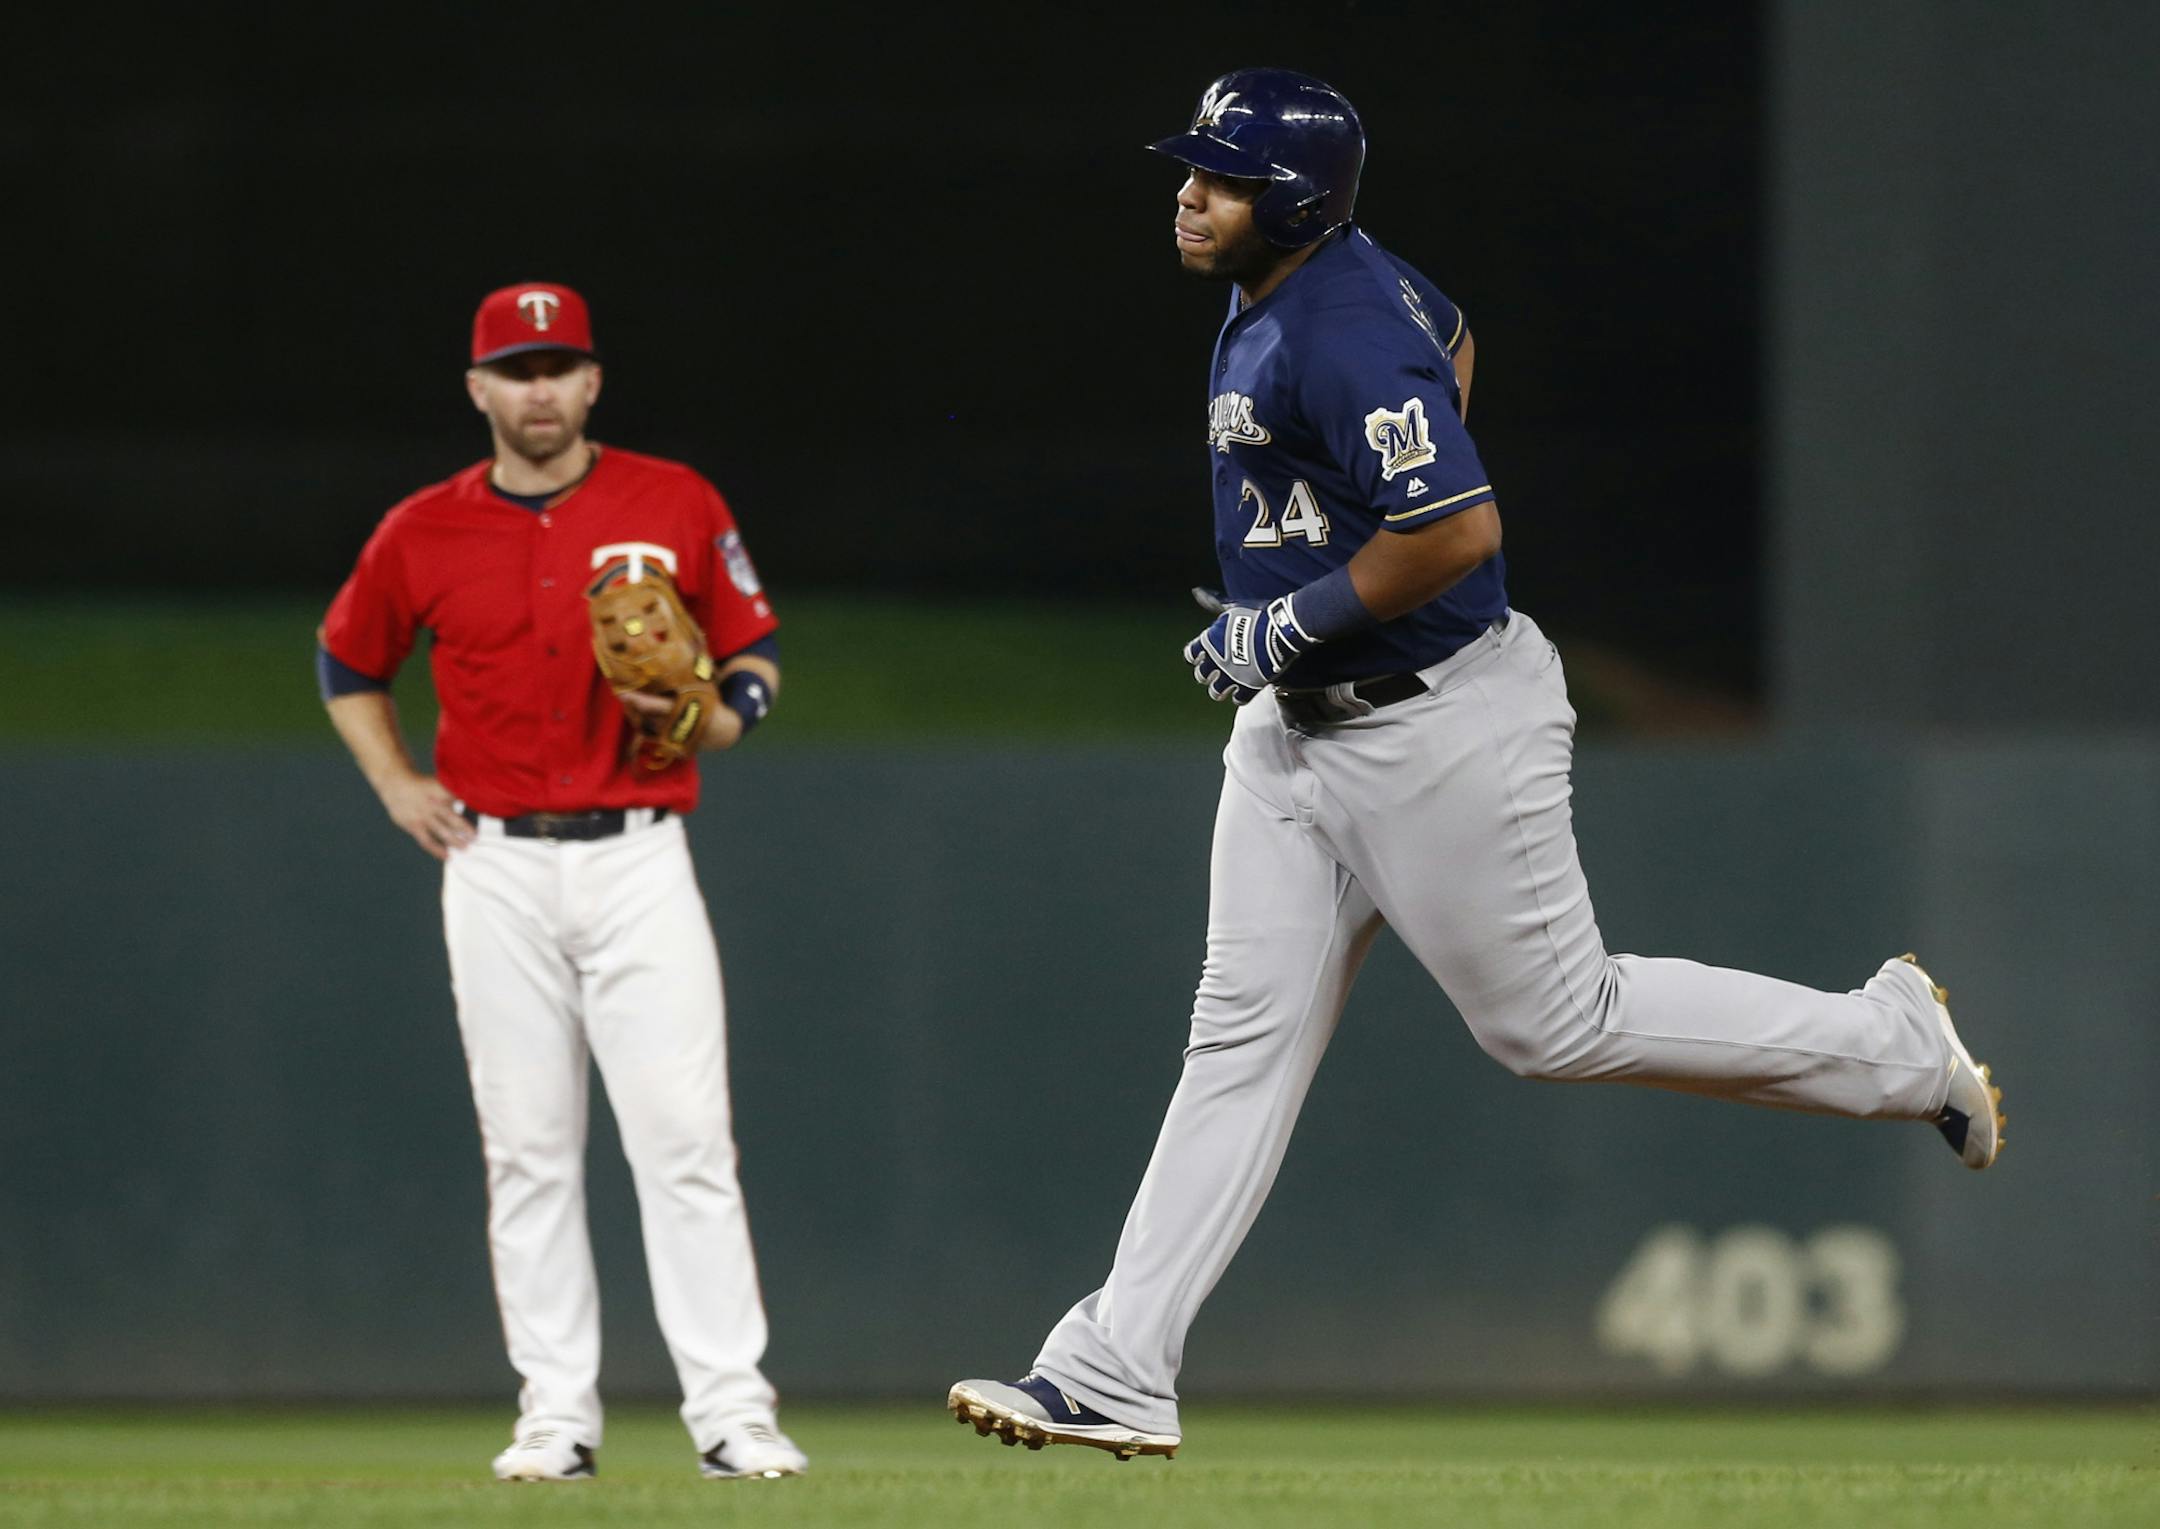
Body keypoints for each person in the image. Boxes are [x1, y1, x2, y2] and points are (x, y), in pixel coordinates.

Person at [947, 69, 2006, 1462]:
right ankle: (1114, 1366)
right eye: (1192, 166)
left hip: (1436, 721)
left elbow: (1456, 530)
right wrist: (1296, 626)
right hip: (1294, 740)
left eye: (1220, 174)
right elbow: (1454, 341)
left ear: (1299, 199)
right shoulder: (1309, 286)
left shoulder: (1331, 328)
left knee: (1554, 1026)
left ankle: (1896, 1043)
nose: (1189, 192)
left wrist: (1293, 617)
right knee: (1238, 1041)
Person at [319, 281, 805, 1483]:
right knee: (528, 1147)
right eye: (516, 367)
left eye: (559, 365)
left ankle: (733, 1414)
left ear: (593, 381)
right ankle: (555, 1415)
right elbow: (346, 660)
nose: (539, 388)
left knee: (686, 1139)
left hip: (640, 851)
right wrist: (394, 784)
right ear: (478, 388)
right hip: (492, 862)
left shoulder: (674, 499)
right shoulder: (419, 530)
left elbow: (754, 653)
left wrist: (715, 720)